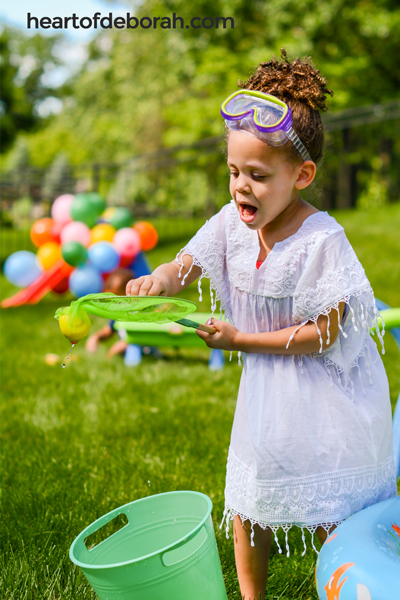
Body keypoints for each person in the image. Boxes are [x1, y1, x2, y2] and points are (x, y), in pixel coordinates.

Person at [126, 50, 396, 600]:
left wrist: (240, 338)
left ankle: (341, 584)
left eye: (257, 175)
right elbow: (189, 263)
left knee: (331, 511)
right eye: (232, 172)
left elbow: (325, 333)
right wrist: (159, 278)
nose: (240, 187)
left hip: (329, 403)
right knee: (253, 503)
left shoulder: (322, 240)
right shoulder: (232, 223)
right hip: (268, 397)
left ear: (302, 175)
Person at [86, 268, 133, 357]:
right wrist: (96, 337)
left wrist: (128, 342)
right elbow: (108, 330)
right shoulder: (119, 314)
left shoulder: (137, 313)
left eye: (118, 301)